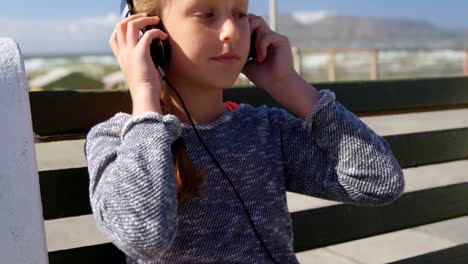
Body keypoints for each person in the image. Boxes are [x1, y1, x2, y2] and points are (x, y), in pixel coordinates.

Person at [84, 0, 405, 263]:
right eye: (206, 14)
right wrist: (144, 92)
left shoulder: (266, 129)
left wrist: (289, 85)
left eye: (240, 14)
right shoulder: (118, 139)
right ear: (150, 34)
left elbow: (379, 182)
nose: (231, 31)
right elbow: (144, 236)